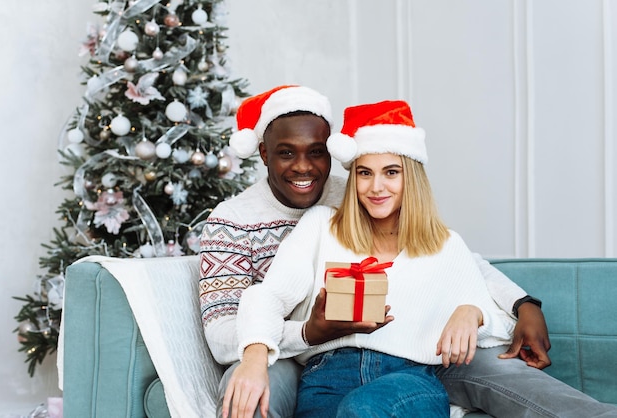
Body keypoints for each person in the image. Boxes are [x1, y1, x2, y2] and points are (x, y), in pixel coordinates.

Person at [197, 87, 576, 418]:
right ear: (263, 154)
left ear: (410, 177)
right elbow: (265, 297)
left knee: (363, 409)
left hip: (407, 377)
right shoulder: (320, 222)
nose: (376, 186)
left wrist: (482, 310)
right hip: (324, 375)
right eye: (364, 173)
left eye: (391, 172)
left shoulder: (443, 244)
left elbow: (485, 298)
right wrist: (261, 352)